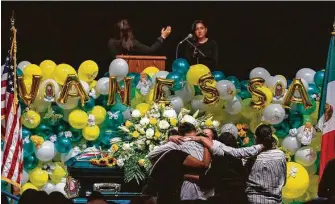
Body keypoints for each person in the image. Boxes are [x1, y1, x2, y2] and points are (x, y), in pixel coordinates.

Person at [188, 124, 286, 204]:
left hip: (253, 200)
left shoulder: (250, 157)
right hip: (274, 200)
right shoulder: (280, 155)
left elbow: (209, 181)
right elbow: (283, 180)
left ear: (256, 138)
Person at [184, 132, 248, 204]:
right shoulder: (238, 158)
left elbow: (209, 181)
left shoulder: (220, 159)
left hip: (226, 197)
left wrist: (187, 176)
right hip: (241, 197)